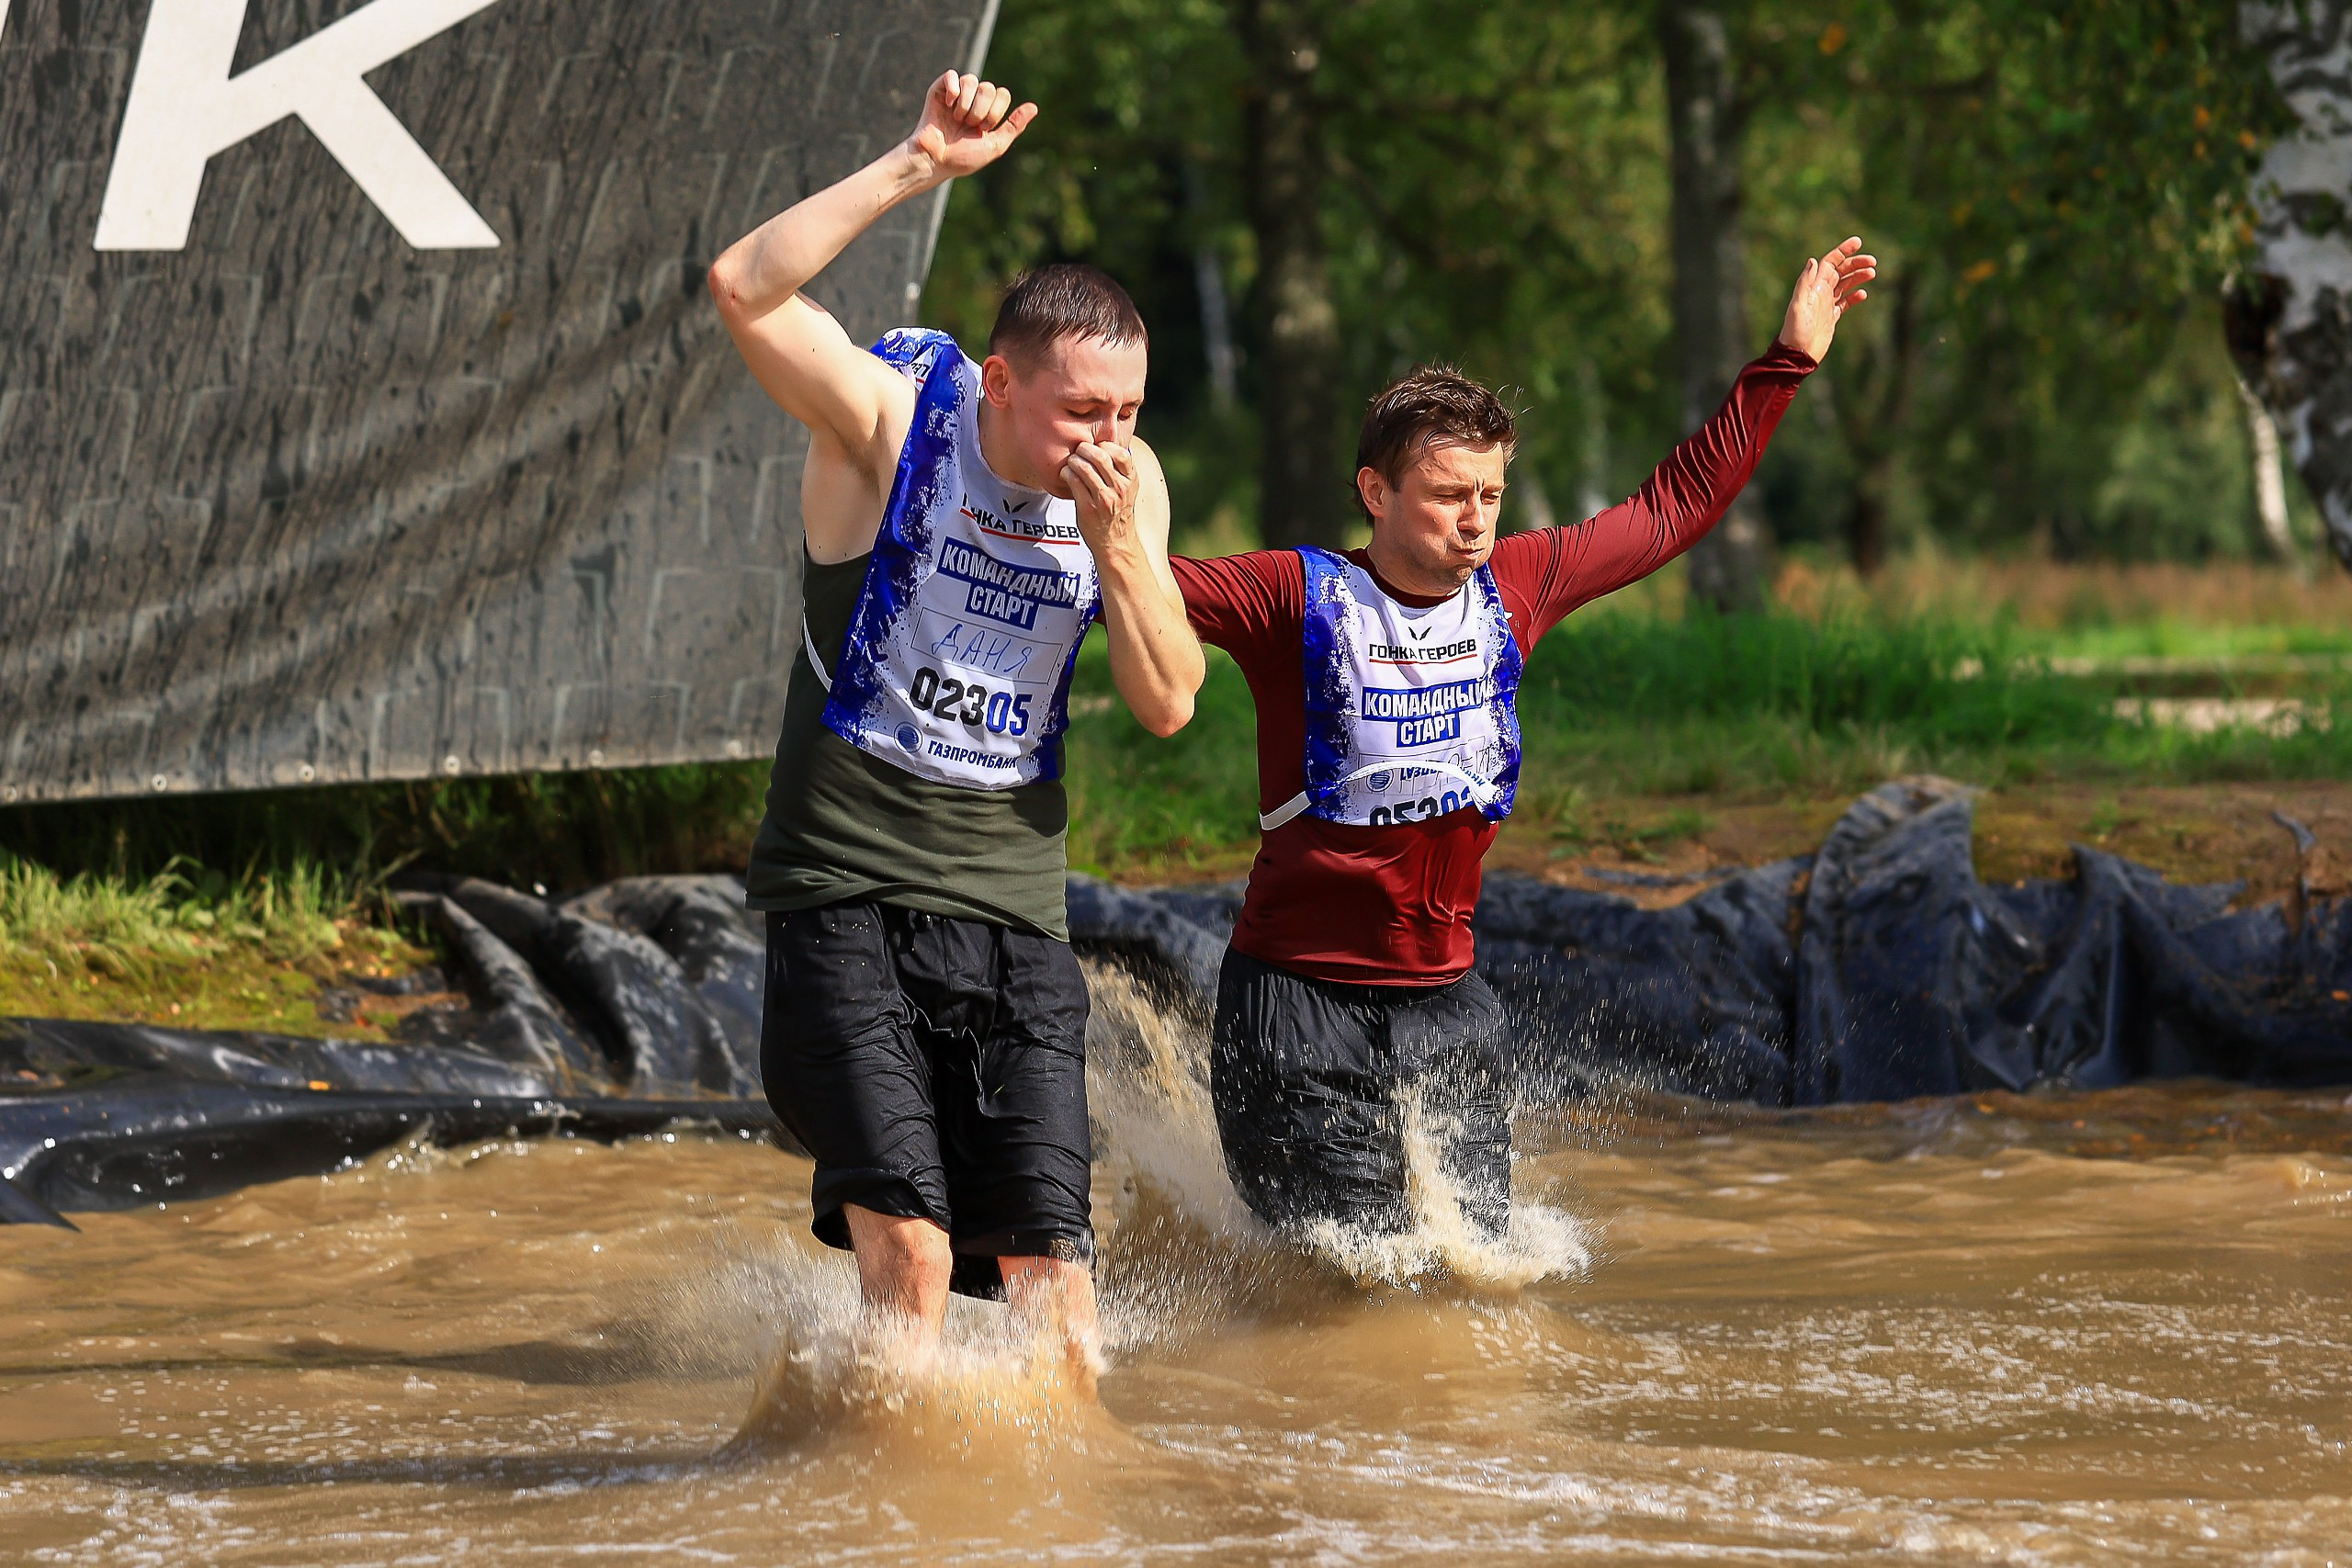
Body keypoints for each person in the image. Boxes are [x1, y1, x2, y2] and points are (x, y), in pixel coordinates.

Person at [1172, 239, 1876, 1244]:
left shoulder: (1520, 585)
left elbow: (1671, 509)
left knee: (1479, 1278)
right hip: (1297, 1011)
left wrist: (1785, 364)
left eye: (1490, 496)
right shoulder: (1291, 594)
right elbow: (1125, 582)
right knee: (1348, 1293)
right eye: (1449, 495)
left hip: (1448, 1009)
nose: (1474, 523)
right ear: (1374, 492)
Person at [706, 71, 1204, 1366]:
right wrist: (916, 164)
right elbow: (745, 287)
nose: (1109, 436)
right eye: (1083, 409)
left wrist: (1122, 552)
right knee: (918, 1256)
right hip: (847, 888)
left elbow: (1167, 701)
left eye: (1130, 411)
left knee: (1054, 1284)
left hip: (1012, 909)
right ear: (1000, 382)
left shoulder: (1128, 485)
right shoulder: (892, 418)